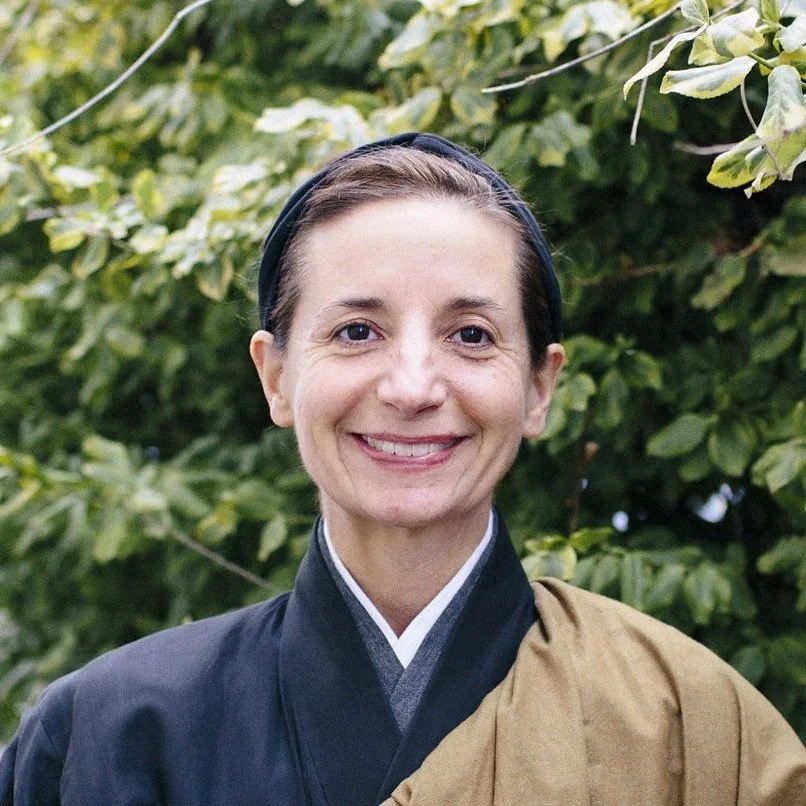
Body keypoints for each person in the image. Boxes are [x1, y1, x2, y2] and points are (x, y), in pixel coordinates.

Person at [1, 132, 804, 806]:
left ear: (538, 386)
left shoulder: (686, 724)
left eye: (471, 335)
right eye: (356, 331)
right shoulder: (114, 734)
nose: (414, 388)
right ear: (277, 377)